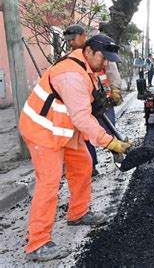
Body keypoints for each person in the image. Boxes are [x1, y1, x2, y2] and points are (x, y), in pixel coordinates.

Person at [19, 34, 130, 262]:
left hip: (64, 129)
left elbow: (88, 109)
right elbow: (82, 118)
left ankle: (78, 212)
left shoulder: (87, 68)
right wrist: (110, 142)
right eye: (103, 57)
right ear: (88, 50)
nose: (106, 63)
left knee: (83, 165)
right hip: (43, 130)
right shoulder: (70, 74)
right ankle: (37, 243)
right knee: (49, 183)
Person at [64, 25, 122, 177]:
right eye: (68, 40)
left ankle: (117, 151)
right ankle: (91, 165)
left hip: (104, 98)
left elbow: (111, 70)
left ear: (83, 36)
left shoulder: (99, 50)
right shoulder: (70, 59)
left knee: (108, 128)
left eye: (73, 39)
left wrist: (116, 90)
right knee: (86, 134)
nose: (70, 43)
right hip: (85, 102)